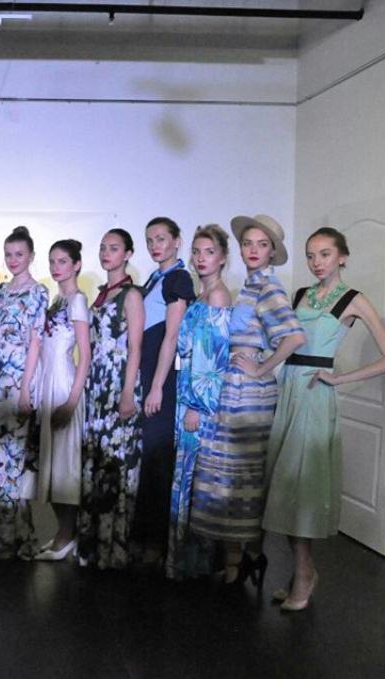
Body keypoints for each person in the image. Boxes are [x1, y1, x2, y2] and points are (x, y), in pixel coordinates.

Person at [263, 227, 385, 611]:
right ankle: (302, 572)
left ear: (342, 256)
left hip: (314, 395)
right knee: (283, 486)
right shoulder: (300, 295)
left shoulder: (353, 300)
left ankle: (303, 575)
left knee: (301, 488)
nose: (316, 262)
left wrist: (340, 378)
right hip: (289, 390)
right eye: (310, 255)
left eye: (324, 254)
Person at [191, 214, 305, 587]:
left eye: (262, 245)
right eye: (248, 244)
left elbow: (294, 337)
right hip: (232, 389)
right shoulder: (250, 287)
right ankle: (240, 559)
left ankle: (238, 563)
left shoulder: (269, 288)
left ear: (272, 252)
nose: (253, 250)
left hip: (249, 394)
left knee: (240, 476)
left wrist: (261, 368)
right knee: (228, 473)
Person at [0, 226, 48, 559]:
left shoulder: (38, 292)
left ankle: (13, 538)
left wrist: (26, 388)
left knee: (13, 462)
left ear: (31, 256)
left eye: (19, 254)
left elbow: (35, 342)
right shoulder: (0, 290)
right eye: (8, 254)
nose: (13, 260)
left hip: (18, 382)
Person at [166, 224, 232, 580]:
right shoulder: (200, 294)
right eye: (197, 251)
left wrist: (196, 406)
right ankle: (184, 563)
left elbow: (214, 363)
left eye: (209, 252)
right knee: (186, 478)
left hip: (200, 403)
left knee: (198, 481)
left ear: (222, 258)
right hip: (186, 393)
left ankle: (199, 565)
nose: (201, 258)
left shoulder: (218, 296)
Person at [77, 228, 145, 570]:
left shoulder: (131, 295)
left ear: (128, 254)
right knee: (97, 461)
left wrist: (128, 392)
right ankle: (94, 546)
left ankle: (113, 548)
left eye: (114, 248)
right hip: (97, 385)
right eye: (103, 248)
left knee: (116, 465)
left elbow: (135, 347)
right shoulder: (101, 295)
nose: (106, 253)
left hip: (119, 383)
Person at [135, 217, 195, 568]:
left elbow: (171, 336)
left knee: (158, 458)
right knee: (148, 457)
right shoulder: (155, 278)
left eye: (161, 238)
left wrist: (157, 386)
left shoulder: (178, 278)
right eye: (150, 240)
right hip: (147, 372)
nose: (155, 245)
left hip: (162, 378)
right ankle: (145, 539)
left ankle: (157, 543)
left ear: (176, 240)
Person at [31, 239, 91, 561]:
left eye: (63, 261)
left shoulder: (77, 300)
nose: (56, 267)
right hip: (47, 382)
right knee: (52, 464)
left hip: (64, 383)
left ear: (76, 265)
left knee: (65, 464)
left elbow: (85, 355)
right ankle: (62, 533)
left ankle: (67, 536)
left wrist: (71, 401)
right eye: (52, 261)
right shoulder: (57, 300)